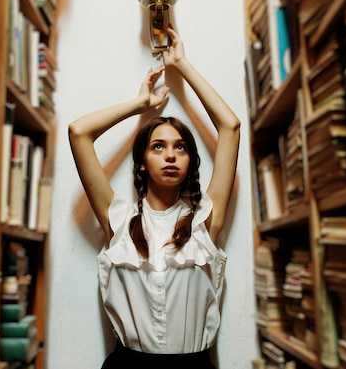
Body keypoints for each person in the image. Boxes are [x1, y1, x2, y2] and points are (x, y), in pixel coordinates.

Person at [68, 25, 240, 369]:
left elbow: (231, 127)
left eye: (180, 148)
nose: (171, 155)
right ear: (142, 163)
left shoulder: (206, 219)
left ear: (191, 162)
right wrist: (139, 105)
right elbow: (78, 132)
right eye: (158, 147)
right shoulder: (117, 217)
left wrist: (182, 65)